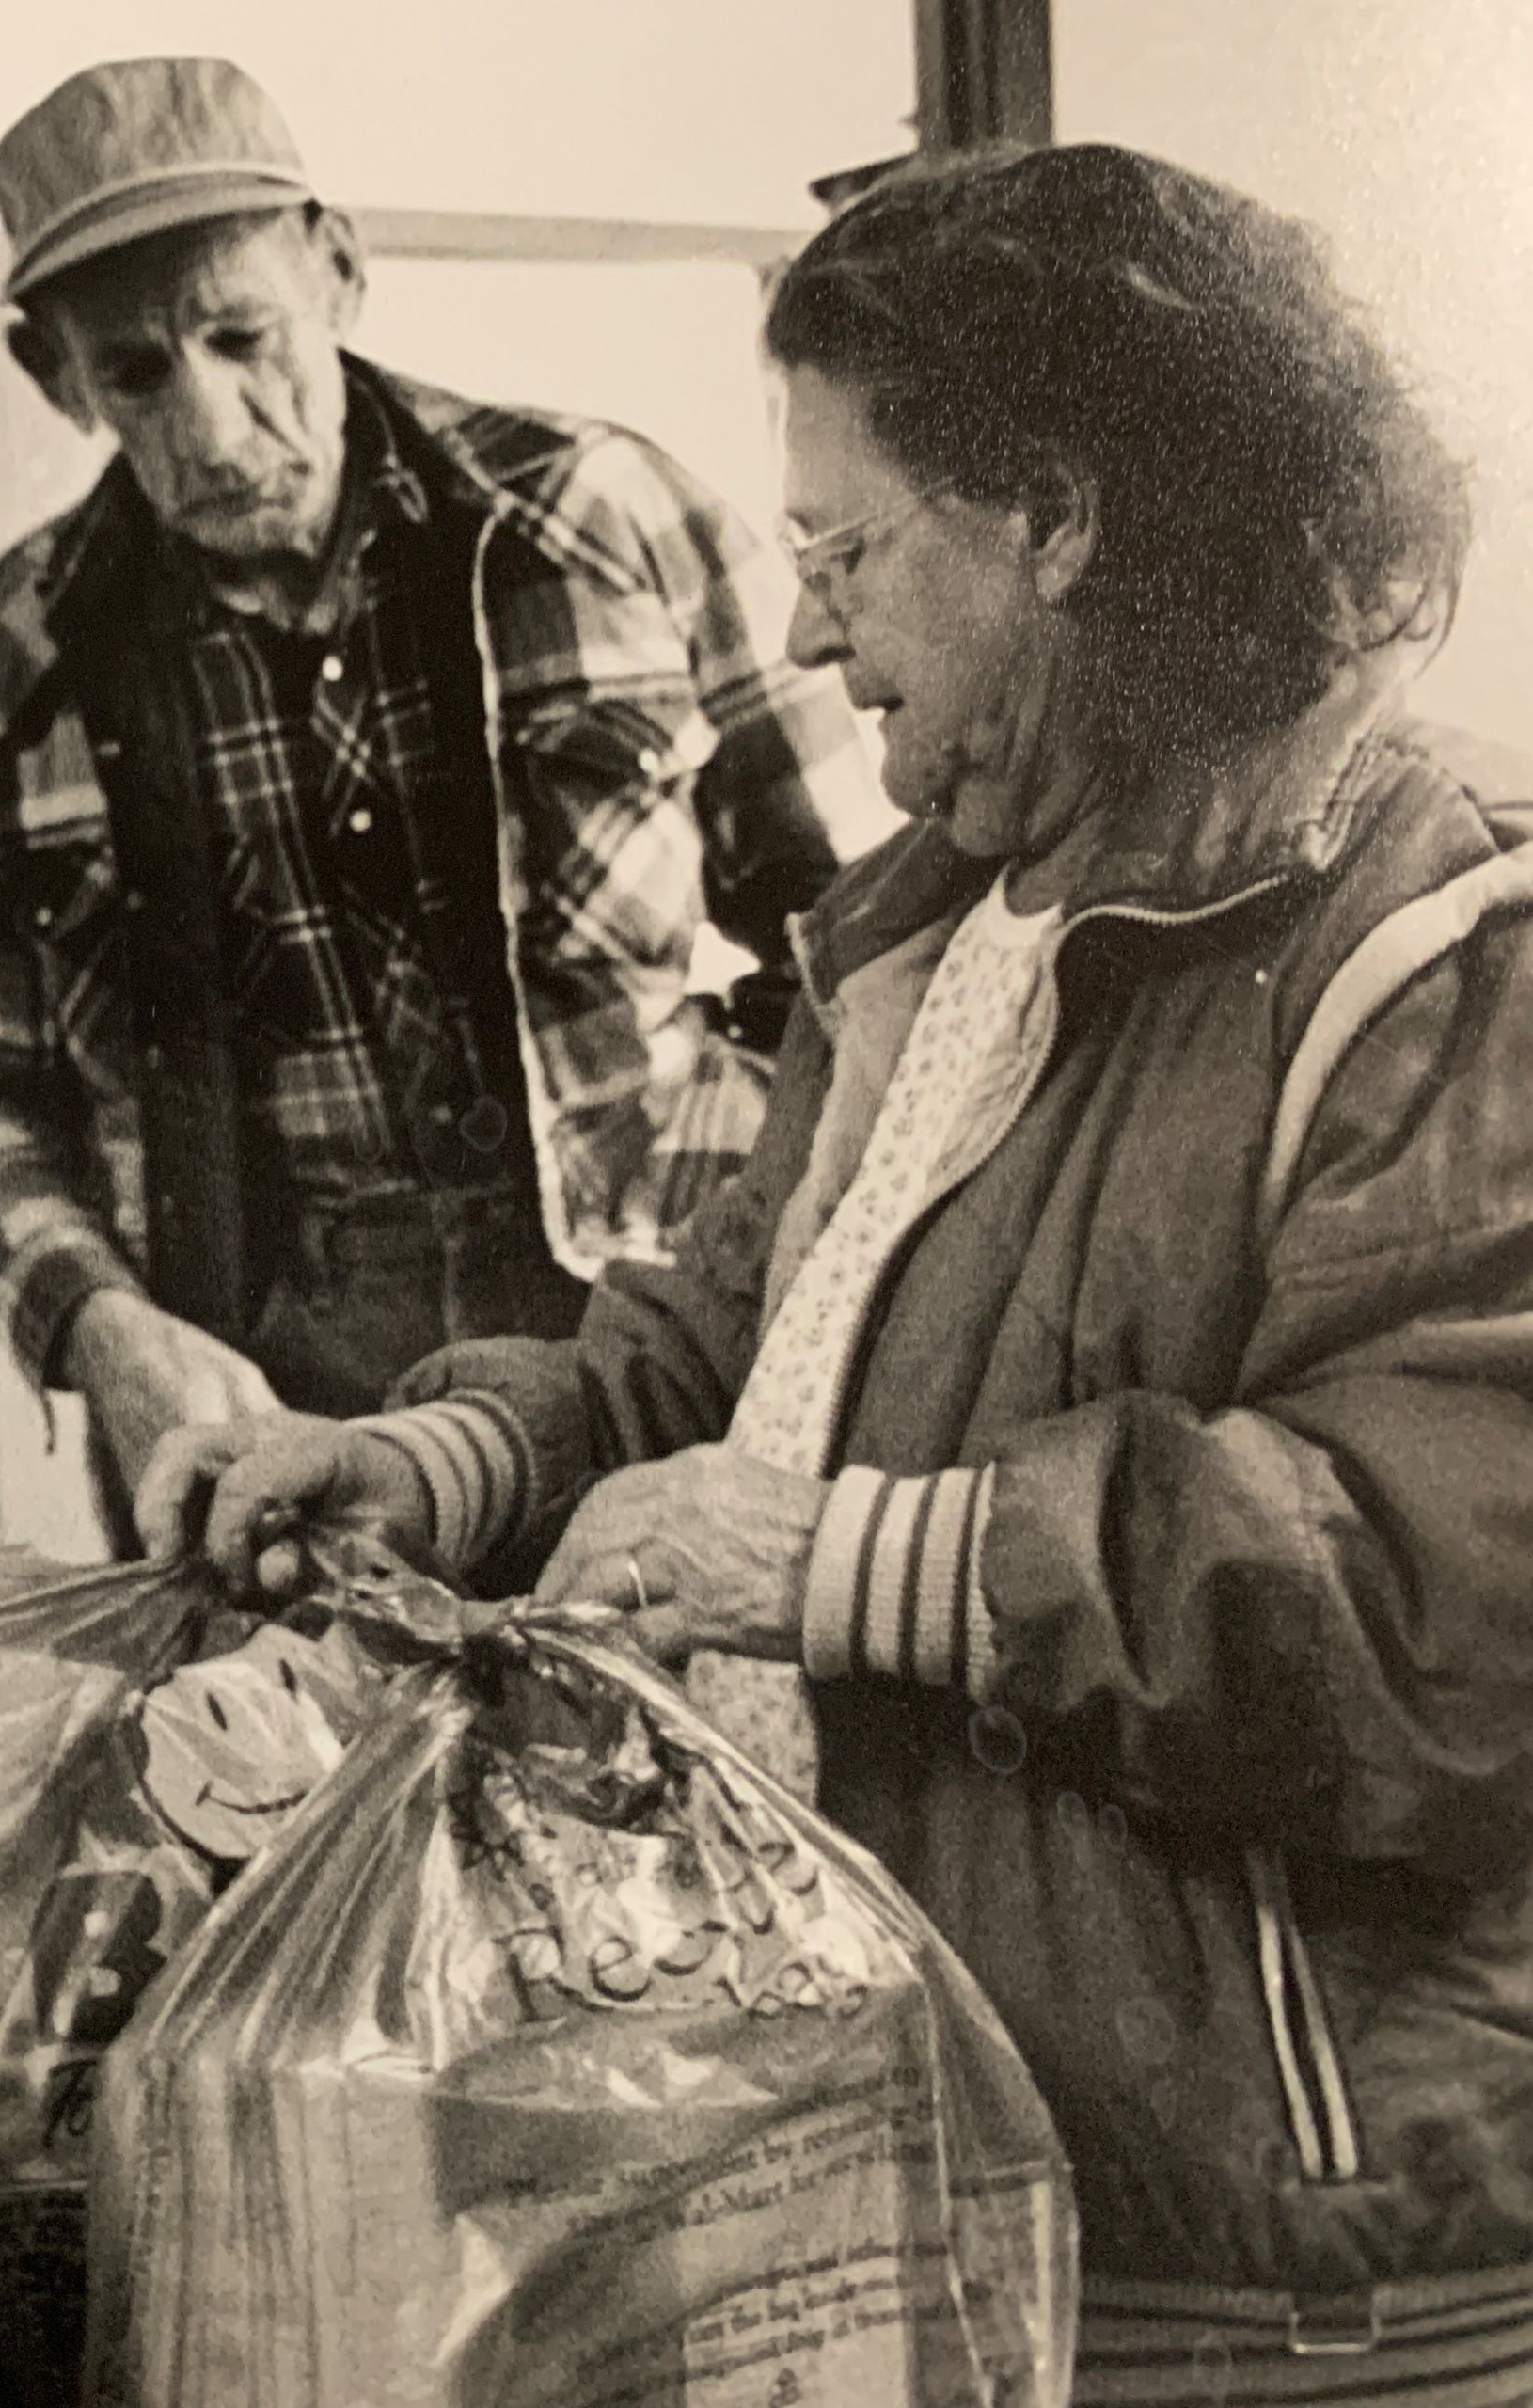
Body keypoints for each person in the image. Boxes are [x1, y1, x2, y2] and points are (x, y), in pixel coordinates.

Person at [145, 143, 1533, 2404]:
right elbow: (733, 1341)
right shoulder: (936, 920)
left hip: (1287, 2280)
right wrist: (441, 1457)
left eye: (841, 550)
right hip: (940, 2179)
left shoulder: (1435, 942)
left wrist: (833, 1557)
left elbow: (1441, 1606)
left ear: (1057, 520)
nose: (799, 634)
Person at [0, 55, 866, 1544]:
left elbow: (860, 939)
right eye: (137, 372)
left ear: (336, 273)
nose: (210, 428)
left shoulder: (611, 522)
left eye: (240, 335)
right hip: (268, 1399)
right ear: (52, 374)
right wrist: (94, 1325)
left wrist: (788, 1259)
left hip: (649, 1330)